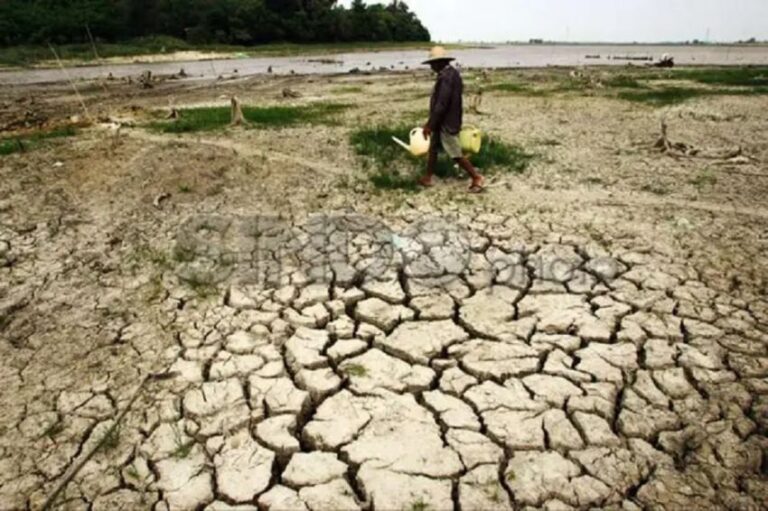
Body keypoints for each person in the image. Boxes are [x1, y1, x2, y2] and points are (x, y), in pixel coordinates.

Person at [420, 46, 484, 192]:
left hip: (446, 121)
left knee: (455, 153)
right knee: (434, 148)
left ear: (439, 62)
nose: (431, 67)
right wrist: (431, 122)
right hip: (445, 119)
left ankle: (476, 177)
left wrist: (430, 124)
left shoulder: (446, 77)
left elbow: (442, 104)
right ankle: (428, 177)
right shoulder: (452, 74)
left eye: (432, 64)